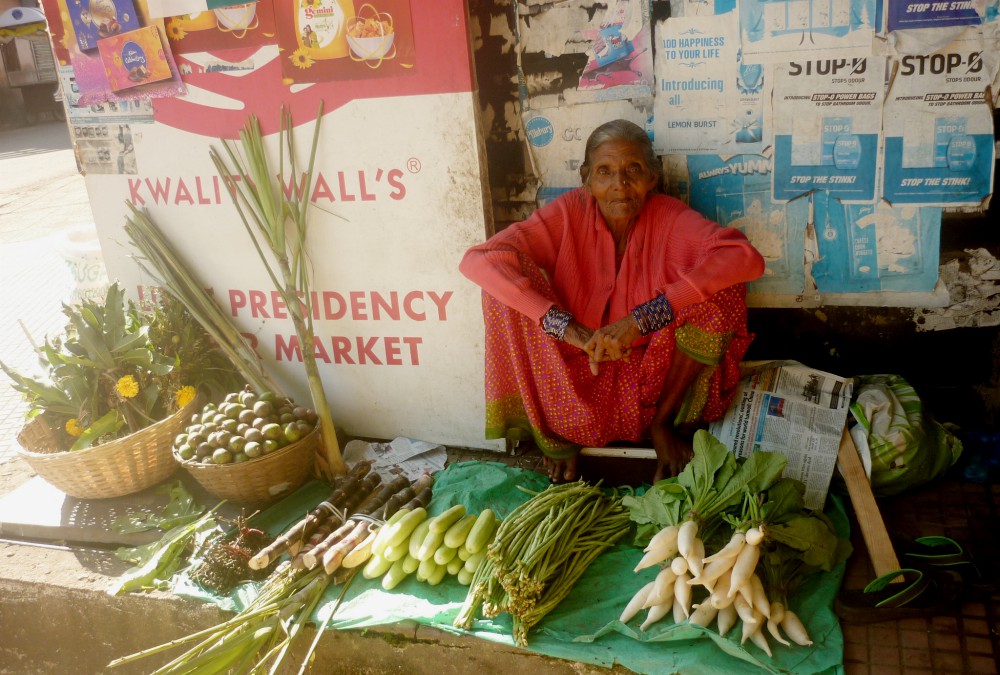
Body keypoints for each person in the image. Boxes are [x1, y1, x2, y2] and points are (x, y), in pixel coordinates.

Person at [459, 119, 766, 484]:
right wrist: (568, 329)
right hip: (574, 384)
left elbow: (745, 258)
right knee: (500, 288)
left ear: (652, 176)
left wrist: (642, 319)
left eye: (632, 170)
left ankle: (662, 427)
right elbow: (477, 260)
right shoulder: (569, 212)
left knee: (723, 291)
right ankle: (554, 436)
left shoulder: (668, 217)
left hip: (653, 387)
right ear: (586, 178)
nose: (619, 185)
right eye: (604, 172)